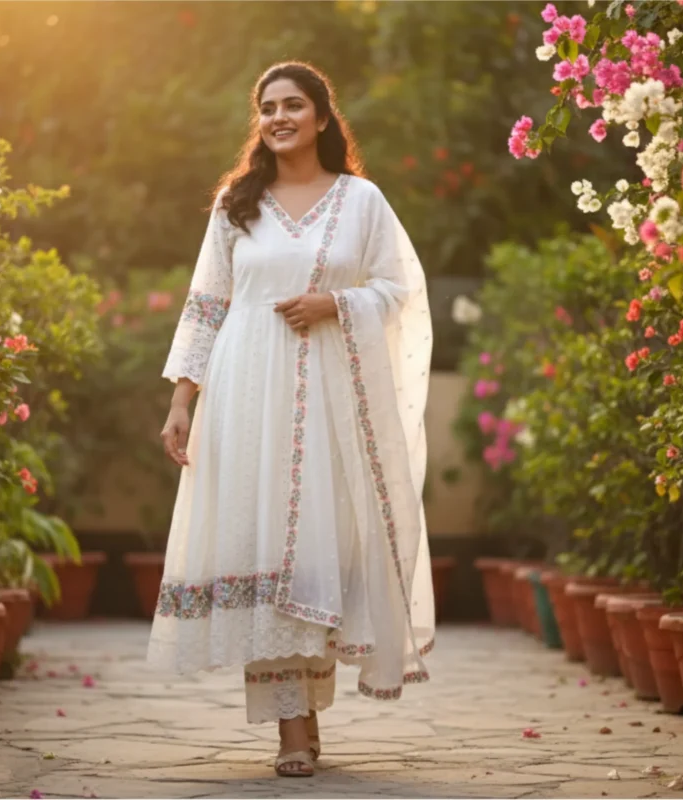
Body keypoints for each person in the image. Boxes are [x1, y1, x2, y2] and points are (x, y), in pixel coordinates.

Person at [148, 61, 434, 778]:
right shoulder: (235, 205)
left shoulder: (361, 201)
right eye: (268, 107)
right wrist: (182, 401)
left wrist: (336, 304)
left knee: (313, 556)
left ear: (321, 116)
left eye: (294, 105)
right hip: (245, 398)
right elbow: (206, 305)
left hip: (333, 405)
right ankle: (292, 730)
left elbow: (400, 288)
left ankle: (309, 708)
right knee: (265, 553)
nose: (279, 117)